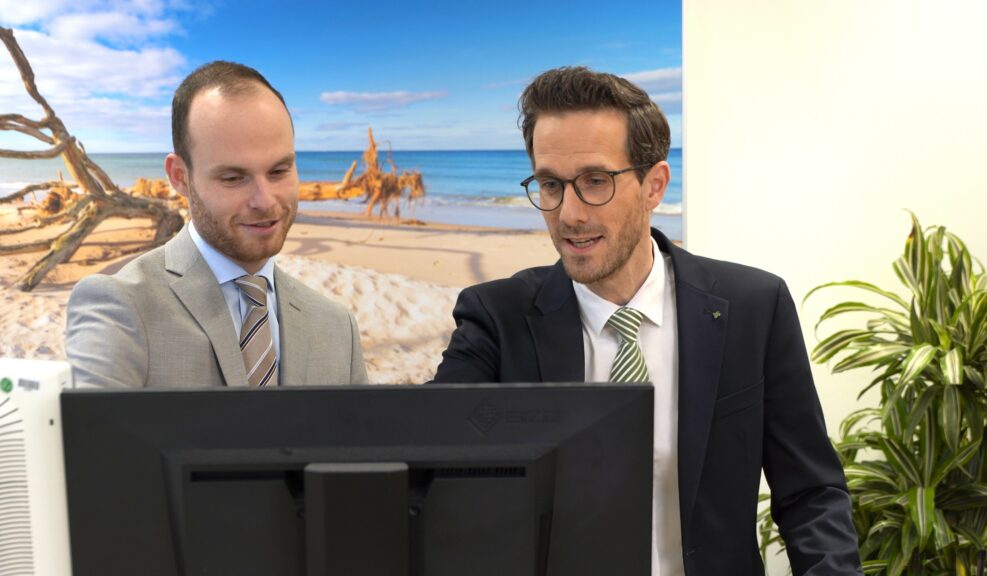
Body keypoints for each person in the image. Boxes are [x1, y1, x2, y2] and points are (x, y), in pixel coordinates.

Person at [432, 67, 862, 575]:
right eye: (550, 185)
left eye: (595, 182)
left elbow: (810, 493)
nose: (569, 214)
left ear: (654, 185)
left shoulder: (755, 307)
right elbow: (427, 476)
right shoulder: (494, 320)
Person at [66, 61, 368, 388]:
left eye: (279, 171)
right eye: (233, 178)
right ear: (180, 177)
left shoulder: (338, 327)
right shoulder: (120, 308)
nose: (265, 201)